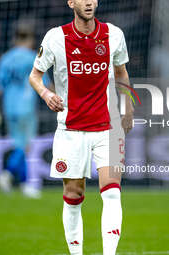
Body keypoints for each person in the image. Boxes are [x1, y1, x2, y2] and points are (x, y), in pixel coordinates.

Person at [29, 0, 133, 254]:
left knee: (111, 192)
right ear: (71, 2)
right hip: (70, 129)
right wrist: (45, 94)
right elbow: (34, 76)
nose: (89, 2)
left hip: (107, 127)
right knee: (73, 195)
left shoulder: (113, 34)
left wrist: (128, 108)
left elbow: (120, 73)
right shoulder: (56, 37)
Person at [0, 24, 53, 199]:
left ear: (15, 39)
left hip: (9, 108)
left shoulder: (5, 58)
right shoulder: (33, 57)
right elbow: (45, 82)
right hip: (26, 107)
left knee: (20, 143)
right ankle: (7, 174)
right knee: (26, 144)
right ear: (31, 40)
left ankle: (25, 185)